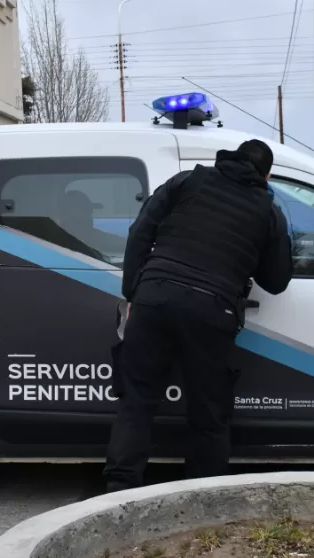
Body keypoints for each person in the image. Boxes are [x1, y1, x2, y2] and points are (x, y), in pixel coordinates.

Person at [102, 139, 294, 493]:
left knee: (137, 403)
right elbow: (277, 280)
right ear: (266, 174)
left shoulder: (187, 181)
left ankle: (118, 490)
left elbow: (140, 231)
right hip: (211, 311)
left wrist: (133, 293)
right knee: (209, 416)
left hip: (153, 300)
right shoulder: (268, 211)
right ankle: (203, 498)